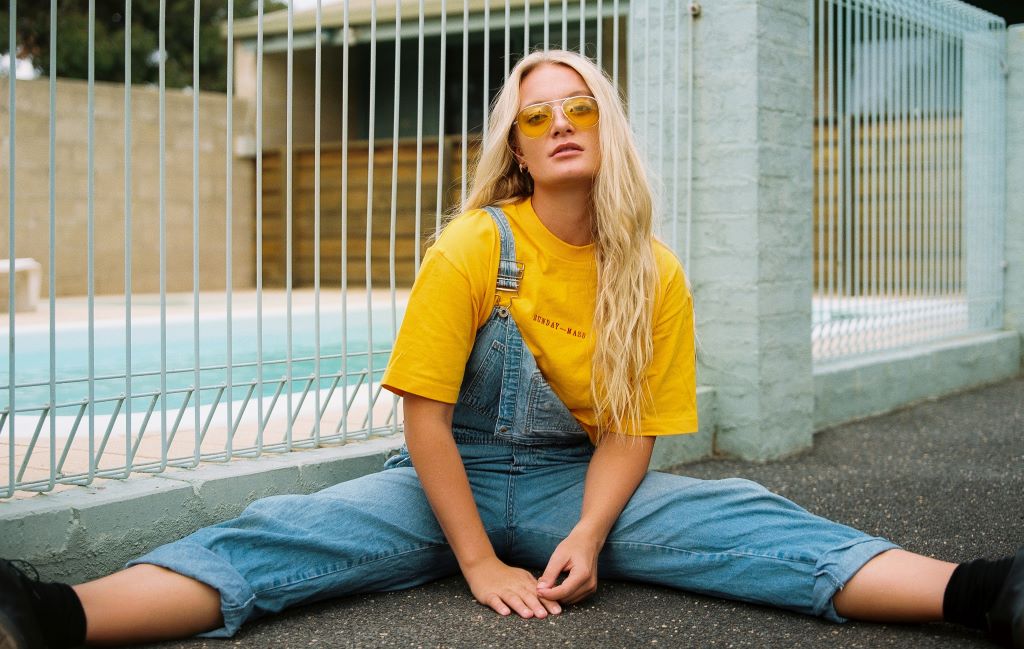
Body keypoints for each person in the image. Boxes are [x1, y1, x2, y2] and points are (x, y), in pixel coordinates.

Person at [0, 48, 1021, 649]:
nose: (561, 121)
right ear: (519, 147)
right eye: (539, 114)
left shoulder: (653, 273)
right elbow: (424, 418)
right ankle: (49, 615)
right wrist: (479, 560)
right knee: (285, 536)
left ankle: (981, 590)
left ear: (607, 130)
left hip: (576, 484)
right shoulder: (471, 246)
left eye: (580, 106)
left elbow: (629, 433)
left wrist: (589, 534)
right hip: (443, 479)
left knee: (745, 519)